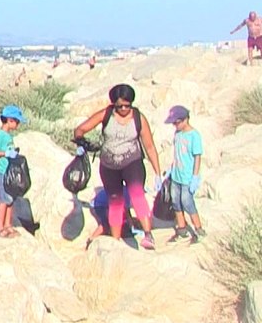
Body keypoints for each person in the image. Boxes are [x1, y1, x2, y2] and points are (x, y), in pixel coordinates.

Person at [73, 84, 162, 250]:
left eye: (126, 106)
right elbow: (80, 129)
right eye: (119, 105)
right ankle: (115, 241)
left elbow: (149, 146)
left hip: (132, 162)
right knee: (115, 202)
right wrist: (81, 142)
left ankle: (148, 234)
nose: (123, 109)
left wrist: (157, 172)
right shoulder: (106, 114)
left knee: (137, 195)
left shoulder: (138, 118)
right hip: (109, 165)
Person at [165, 105, 206, 244]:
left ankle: (199, 229)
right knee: (176, 202)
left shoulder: (194, 136)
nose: (174, 125)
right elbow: (176, 154)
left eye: (177, 122)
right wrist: (170, 170)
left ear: (185, 119)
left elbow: (197, 157)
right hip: (176, 175)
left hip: (188, 177)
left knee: (187, 202)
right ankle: (181, 229)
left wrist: (195, 177)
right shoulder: (177, 134)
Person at [0, 105, 24, 238]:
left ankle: (8, 224)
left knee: (11, 199)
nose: (18, 124)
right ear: (9, 120)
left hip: (9, 171)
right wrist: (6, 153)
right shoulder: (1, 135)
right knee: (4, 199)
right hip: (2, 171)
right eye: (17, 121)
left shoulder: (8, 136)